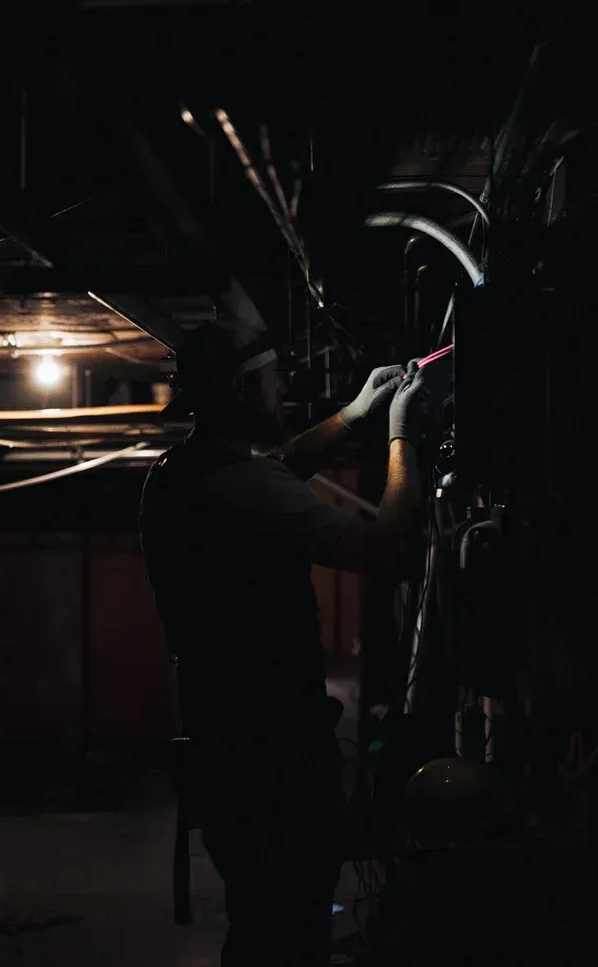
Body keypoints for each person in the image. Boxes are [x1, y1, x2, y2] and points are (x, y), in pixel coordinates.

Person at [139, 318, 429, 966]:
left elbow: (280, 470)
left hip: (229, 747)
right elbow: (387, 547)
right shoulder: (235, 486)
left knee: (265, 923)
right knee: (286, 930)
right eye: (273, 381)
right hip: (271, 761)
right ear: (244, 387)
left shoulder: (183, 473)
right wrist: (401, 435)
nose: (283, 393)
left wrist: (356, 412)